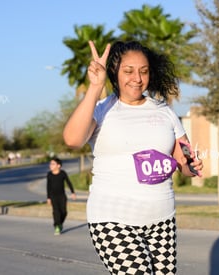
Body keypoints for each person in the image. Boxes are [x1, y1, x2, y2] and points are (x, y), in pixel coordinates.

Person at [63, 40, 203, 274]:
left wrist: (193, 165)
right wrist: (95, 86)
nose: (137, 78)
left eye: (143, 71)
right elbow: (72, 139)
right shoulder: (101, 109)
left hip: (162, 220)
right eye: (128, 71)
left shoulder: (165, 112)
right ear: (114, 73)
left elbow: (184, 161)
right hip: (113, 219)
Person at [46, 157, 76, 235]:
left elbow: (68, 182)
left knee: (64, 212)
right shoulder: (49, 174)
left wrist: (72, 192)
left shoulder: (63, 173)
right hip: (53, 196)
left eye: (53, 164)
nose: (50, 165)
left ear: (58, 165)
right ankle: (57, 226)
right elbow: (48, 186)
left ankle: (59, 224)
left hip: (62, 196)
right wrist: (48, 197)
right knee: (56, 212)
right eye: (50, 164)